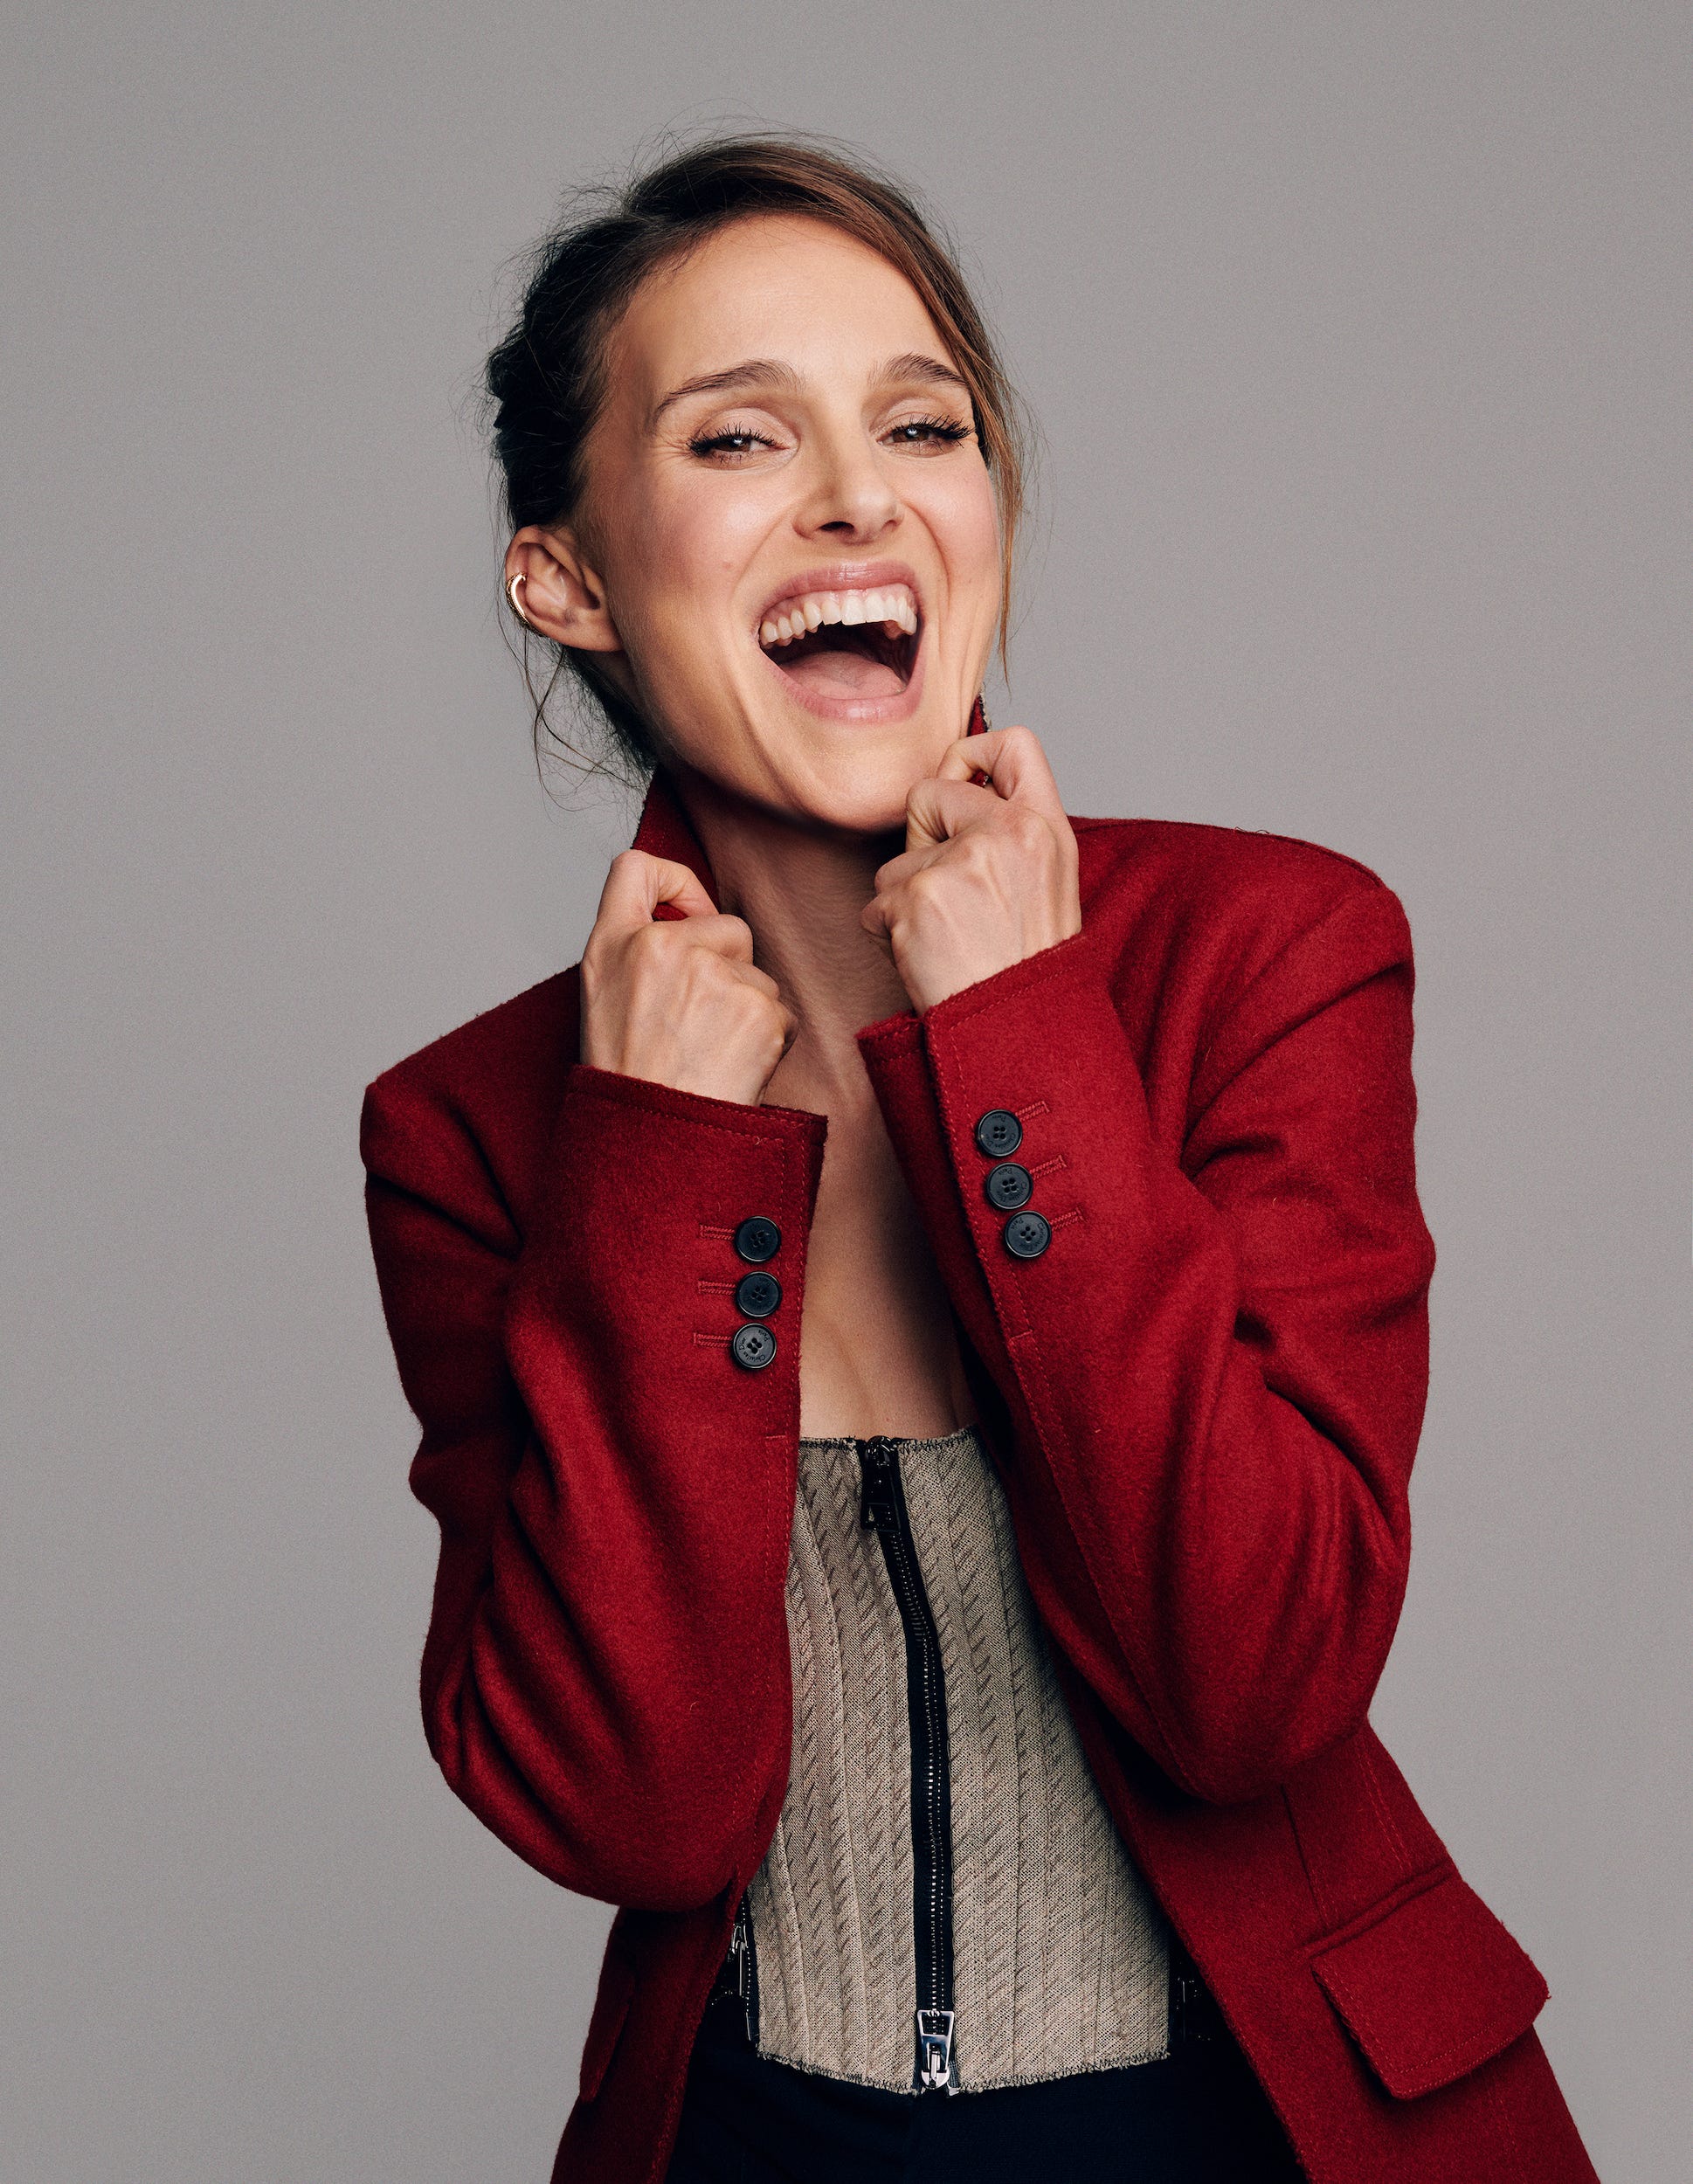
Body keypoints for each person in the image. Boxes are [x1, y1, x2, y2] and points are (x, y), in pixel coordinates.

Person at [360, 136, 1596, 2184]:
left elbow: (1253, 1677)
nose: (859, 492)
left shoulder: (1267, 953)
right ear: (568, 570)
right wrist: (656, 1146)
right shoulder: (481, 1130)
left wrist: (1021, 1028)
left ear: (986, 518)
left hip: (1273, 2136)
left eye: (922, 423)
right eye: (742, 435)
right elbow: (632, 1802)